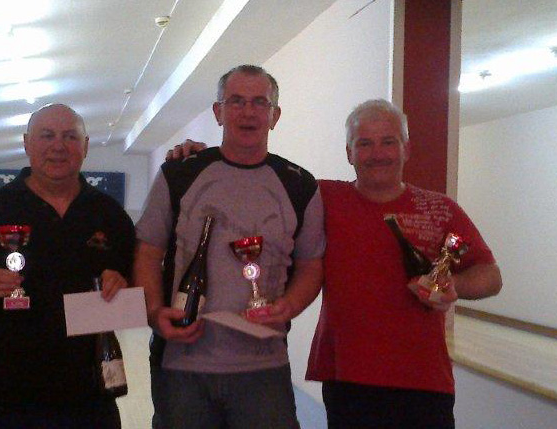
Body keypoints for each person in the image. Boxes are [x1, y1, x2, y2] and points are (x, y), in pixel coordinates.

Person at [133, 64, 325, 428]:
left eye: (260, 102)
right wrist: (154, 313)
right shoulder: (180, 173)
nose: (248, 112)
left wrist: (289, 306)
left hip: (264, 367)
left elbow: (311, 264)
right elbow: (148, 251)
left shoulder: (300, 186)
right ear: (218, 112)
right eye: (236, 101)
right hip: (181, 365)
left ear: (275, 116)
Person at [0, 104, 135, 429]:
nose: (58, 146)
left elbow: (137, 290)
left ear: (85, 146)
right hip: (12, 395)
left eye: (70, 136)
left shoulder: (110, 214)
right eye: (47, 135)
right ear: (27, 143)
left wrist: (122, 285)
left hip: (92, 393)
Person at [306, 99, 502, 428]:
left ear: (406, 149)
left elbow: (491, 276)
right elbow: (265, 185)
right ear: (349, 153)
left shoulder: (441, 209)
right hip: (348, 380)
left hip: (424, 381)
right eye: (364, 143)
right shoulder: (323, 198)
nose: (377, 153)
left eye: (388, 141)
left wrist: (453, 284)